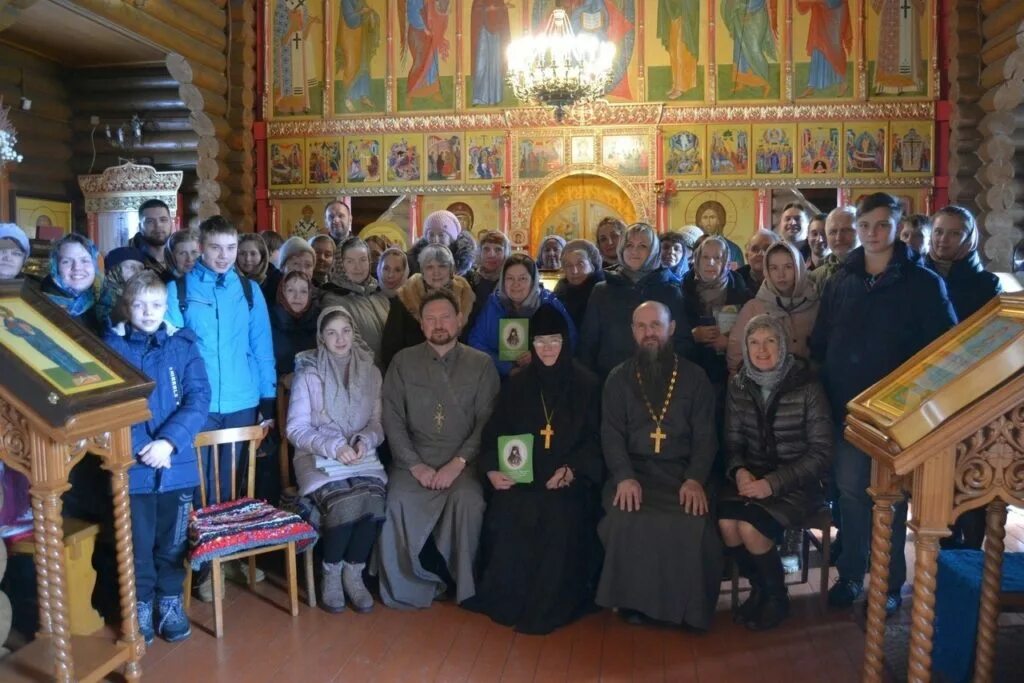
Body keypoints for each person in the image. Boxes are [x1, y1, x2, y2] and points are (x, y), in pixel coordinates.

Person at [811, 192, 956, 614]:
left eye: (882, 225)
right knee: (852, 495)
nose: (872, 234)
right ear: (856, 229)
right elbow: (823, 339)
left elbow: (943, 349)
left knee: (890, 499)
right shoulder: (843, 278)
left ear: (897, 227)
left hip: (899, 415)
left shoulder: (924, 283)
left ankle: (890, 583)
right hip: (850, 410)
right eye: (865, 226)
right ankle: (852, 575)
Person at [469, 304, 603, 634]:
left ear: (565, 342)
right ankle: (510, 601)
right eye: (540, 342)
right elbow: (493, 435)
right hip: (523, 479)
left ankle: (549, 604)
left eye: (554, 341)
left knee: (558, 518)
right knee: (511, 511)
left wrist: (573, 470)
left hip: (566, 481)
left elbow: (597, 441)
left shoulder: (587, 385)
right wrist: (492, 470)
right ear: (531, 346)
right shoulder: (517, 385)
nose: (547, 349)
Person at [596, 301, 722, 629]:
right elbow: (611, 435)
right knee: (626, 517)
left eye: (656, 325)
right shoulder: (618, 378)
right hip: (634, 473)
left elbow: (706, 436)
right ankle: (635, 604)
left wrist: (695, 479)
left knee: (692, 522)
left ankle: (689, 611)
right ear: (633, 332)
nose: (649, 332)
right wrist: (623, 477)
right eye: (641, 326)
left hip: (682, 474)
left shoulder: (695, 378)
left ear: (672, 328)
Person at [104, 271, 210, 645]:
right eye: (139, 304)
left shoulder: (182, 345)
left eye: (156, 304)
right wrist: (142, 448)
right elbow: (106, 405)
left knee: (173, 543)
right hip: (132, 469)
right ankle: (141, 606)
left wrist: (168, 443)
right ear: (126, 305)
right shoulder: (111, 347)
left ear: (167, 306)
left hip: (176, 467)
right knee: (137, 544)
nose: (148, 312)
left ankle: (169, 602)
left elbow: (198, 399)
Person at [376, 290, 500, 608]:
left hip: (463, 460)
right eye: (430, 319)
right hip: (413, 460)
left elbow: (488, 422)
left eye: (445, 316)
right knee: (396, 501)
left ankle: (464, 586)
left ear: (460, 320)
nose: (438, 324)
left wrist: (457, 463)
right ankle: (409, 586)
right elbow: (392, 417)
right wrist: (415, 465)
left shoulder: (481, 364)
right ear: (421, 325)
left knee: (469, 500)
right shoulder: (403, 362)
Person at [720, 314, 832, 630]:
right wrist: (739, 471)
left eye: (770, 341)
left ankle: (776, 598)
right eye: (754, 343)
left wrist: (773, 483)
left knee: (750, 528)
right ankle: (761, 589)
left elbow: (821, 453)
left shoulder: (806, 384)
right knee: (727, 524)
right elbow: (732, 441)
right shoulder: (740, 383)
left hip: (798, 483)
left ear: (782, 345)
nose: (762, 350)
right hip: (753, 479)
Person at [165, 215, 276, 520]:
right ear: (201, 247)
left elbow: (262, 349)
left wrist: (267, 401)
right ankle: (202, 561)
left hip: (242, 400)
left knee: (231, 488)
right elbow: (171, 356)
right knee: (198, 487)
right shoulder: (178, 291)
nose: (224, 256)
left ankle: (225, 561)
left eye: (230, 247)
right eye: (216, 248)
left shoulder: (249, 291)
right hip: (196, 402)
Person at [287, 306, 387, 613]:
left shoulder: (370, 372)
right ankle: (331, 572)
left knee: (374, 499)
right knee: (346, 501)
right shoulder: (309, 373)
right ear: (321, 337)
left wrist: (363, 440)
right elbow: (295, 429)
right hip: (318, 457)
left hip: (360, 457)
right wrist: (333, 446)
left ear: (354, 333)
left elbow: (376, 424)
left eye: (345, 331)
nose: (340, 338)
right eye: (331, 332)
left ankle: (353, 573)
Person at [926, 205, 1003, 550]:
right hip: (926, 390)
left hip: (970, 392)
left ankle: (971, 551)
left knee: (971, 471)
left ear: (969, 239)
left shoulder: (986, 284)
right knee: (935, 477)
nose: (943, 240)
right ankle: (940, 546)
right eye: (939, 231)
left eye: (954, 233)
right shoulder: (917, 275)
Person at [579, 223, 694, 380]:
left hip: (659, 379)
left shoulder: (670, 290)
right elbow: (588, 342)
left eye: (642, 246)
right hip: (611, 381)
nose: (634, 251)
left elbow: (681, 341)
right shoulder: (602, 290)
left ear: (653, 251)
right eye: (629, 245)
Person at [468, 254, 576, 377]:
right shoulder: (494, 303)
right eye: (510, 278)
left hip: (541, 376)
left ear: (533, 280)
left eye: (523, 278)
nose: (516, 284)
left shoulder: (548, 302)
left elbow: (570, 340)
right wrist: (507, 368)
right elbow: (476, 342)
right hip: (500, 378)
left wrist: (538, 355)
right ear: (503, 280)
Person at [727, 241, 819, 374]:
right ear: (767, 271)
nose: (781, 274)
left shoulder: (815, 305)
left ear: (799, 267)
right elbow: (736, 353)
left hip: (808, 386)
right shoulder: (754, 308)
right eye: (774, 268)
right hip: (764, 388)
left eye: (788, 267)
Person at [380, 244, 476, 368]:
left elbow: (473, 341)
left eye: (442, 266)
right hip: (415, 371)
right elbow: (391, 346)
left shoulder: (466, 296)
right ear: (422, 271)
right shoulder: (405, 297)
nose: (436, 272)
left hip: (459, 370)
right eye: (430, 267)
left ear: (451, 270)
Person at [682, 236, 752, 389]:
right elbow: (674, 332)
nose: (710, 263)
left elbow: (750, 330)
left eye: (717, 258)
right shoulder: (682, 288)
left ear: (726, 261)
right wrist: (692, 335)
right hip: (692, 371)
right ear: (697, 260)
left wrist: (730, 343)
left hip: (730, 372)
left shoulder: (740, 289)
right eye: (705, 257)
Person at [321, 237, 391, 366]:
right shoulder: (333, 299)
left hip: (390, 374)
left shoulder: (380, 294)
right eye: (350, 261)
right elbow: (349, 344)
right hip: (361, 375)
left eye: (363, 260)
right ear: (340, 264)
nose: (357, 267)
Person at [40, 233, 101, 333]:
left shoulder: (103, 300)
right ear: (55, 268)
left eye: (85, 260)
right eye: (66, 261)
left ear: (94, 265)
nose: (77, 267)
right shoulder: (41, 305)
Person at [269, 270, 318, 376]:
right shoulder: (269, 321)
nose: (297, 297)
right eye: (291, 290)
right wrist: (281, 380)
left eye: (303, 291)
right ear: (282, 292)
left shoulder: (319, 322)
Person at [553, 239, 604, 330]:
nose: (574, 271)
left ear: (592, 265)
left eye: (580, 264)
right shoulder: (558, 295)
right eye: (568, 265)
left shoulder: (603, 293)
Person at [808, 206, 858, 290]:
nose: (838, 238)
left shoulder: (877, 272)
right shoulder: (815, 278)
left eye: (846, 230)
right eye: (833, 232)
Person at [96, 246, 146, 326]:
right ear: (115, 269)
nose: (138, 272)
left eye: (141, 268)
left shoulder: (138, 292)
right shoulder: (103, 294)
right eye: (131, 267)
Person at [131, 199, 175, 281]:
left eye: (163, 220)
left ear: (171, 223)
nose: (158, 225)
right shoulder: (127, 260)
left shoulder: (182, 255)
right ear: (140, 227)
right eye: (150, 221)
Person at [736, 229, 781, 294]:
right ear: (747, 256)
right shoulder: (734, 281)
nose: (761, 253)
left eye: (767, 249)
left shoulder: (785, 279)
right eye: (755, 249)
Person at [472, 230, 510, 303]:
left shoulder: (511, 282)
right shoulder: (470, 280)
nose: (491, 255)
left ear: (506, 253)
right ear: (480, 253)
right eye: (486, 249)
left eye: (498, 249)